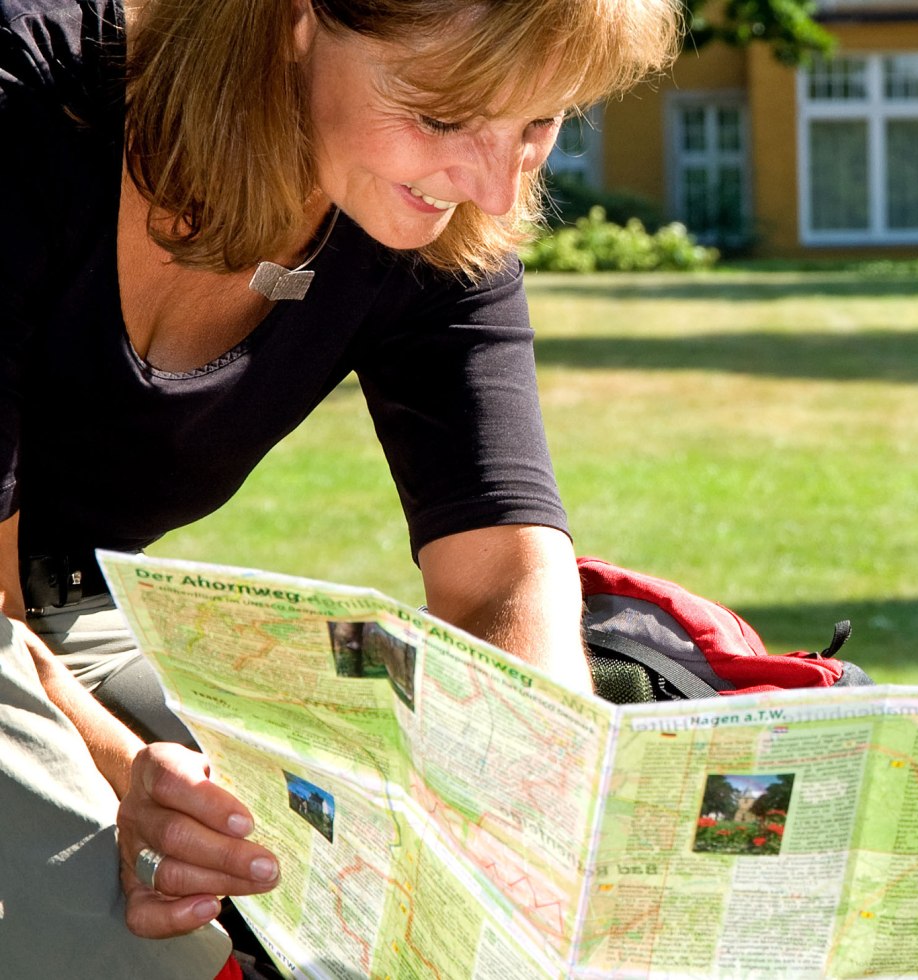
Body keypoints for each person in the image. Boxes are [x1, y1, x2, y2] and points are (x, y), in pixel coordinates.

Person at [0, 0, 676, 971]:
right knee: (141, 938)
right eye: (444, 116)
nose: (492, 181)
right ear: (296, 20)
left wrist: (525, 785)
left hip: (68, 608)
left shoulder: (431, 212)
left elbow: (505, 572)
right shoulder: (28, 101)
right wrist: (120, 775)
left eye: (538, 122)